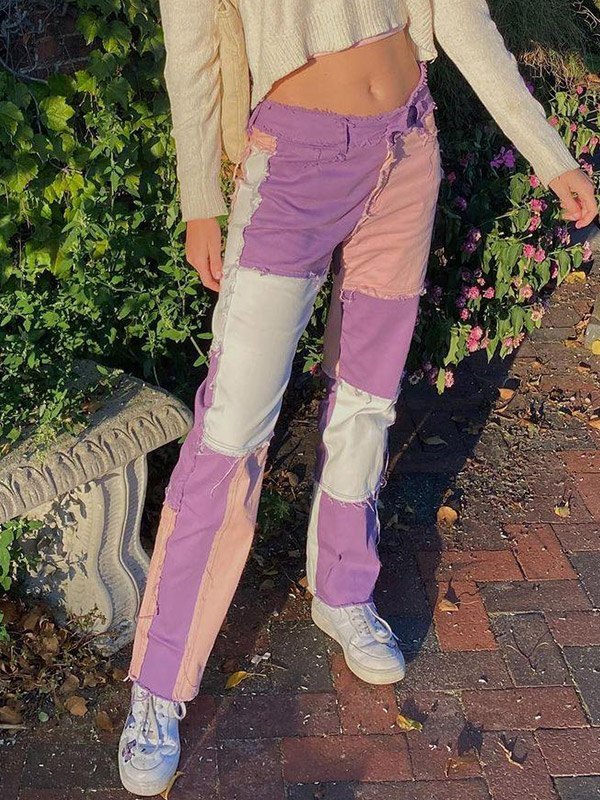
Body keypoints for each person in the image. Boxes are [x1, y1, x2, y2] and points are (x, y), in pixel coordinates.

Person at [117, 0, 597, 794]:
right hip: (293, 167)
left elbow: (460, 16)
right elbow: (192, 54)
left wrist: (550, 155)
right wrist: (199, 197)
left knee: (367, 401)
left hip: (406, 147)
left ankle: (342, 589)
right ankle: (159, 680)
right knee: (231, 431)